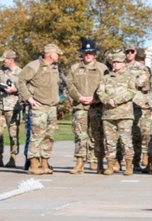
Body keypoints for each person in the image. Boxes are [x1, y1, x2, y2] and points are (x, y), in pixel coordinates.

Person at [18, 44, 62, 175]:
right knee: (37, 136)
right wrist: (29, 98)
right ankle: (33, 164)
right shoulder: (34, 66)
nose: (59, 56)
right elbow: (20, 81)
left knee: (49, 137)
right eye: (57, 54)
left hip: (51, 107)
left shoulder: (54, 67)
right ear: (50, 54)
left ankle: (44, 163)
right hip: (39, 107)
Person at [67, 39, 108, 174]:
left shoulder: (102, 69)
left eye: (90, 53)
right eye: (85, 53)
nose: (88, 55)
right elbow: (70, 86)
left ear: (95, 53)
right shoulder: (75, 68)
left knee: (97, 136)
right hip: (80, 107)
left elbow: (107, 86)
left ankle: (99, 163)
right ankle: (79, 163)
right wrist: (79, 97)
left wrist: (95, 99)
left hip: (97, 107)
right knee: (80, 136)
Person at [97, 51, 138, 176]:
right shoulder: (106, 78)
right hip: (108, 114)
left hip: (124, 114)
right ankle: (110, 164)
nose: (115, 64)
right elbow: (100, 92)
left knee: (125, 141)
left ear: (123, 64)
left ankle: (129, 165)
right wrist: (107, 100)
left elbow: (131, 92)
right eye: (114, 62)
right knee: (109, 141)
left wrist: (116, 100)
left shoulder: (129, 77)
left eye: (118, 62)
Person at [0, 50, 23, 168]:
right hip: (0, 106)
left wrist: (16, 90)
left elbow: (26, 89)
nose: (3, 62)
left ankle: (13, 158)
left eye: (4, 60)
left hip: (13, 106)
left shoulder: (21, 73)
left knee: (13, 133)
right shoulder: (1, 72)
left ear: (10, 60)